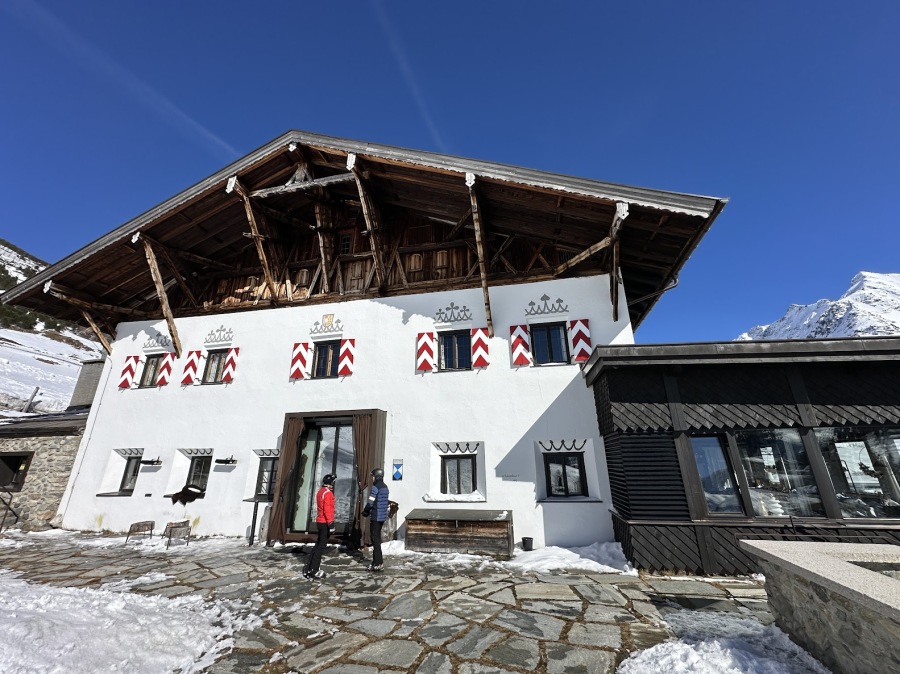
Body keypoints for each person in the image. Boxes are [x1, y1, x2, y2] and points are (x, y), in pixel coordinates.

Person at [304, 473, 336, 579]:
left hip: (321, 521)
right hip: (324, 522)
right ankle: (314, 569)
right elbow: (327, 510)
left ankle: (310, 567)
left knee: (318, 545)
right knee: (321, 546)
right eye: (333, 482)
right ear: (330, 483)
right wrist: (330, 523)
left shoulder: (321, 491)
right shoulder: (327, 493)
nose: (334, 484)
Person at [362, 467, 389, 571]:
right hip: (382, 517)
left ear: (376, 476)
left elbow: (370, 502)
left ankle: (377, 563)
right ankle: (377, 561)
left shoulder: (375, 487)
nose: (372, 478)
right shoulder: (385, 487)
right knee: (377, 539)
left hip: (376, 516)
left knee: (375, 540)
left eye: (373, 476)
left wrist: (365, 511)